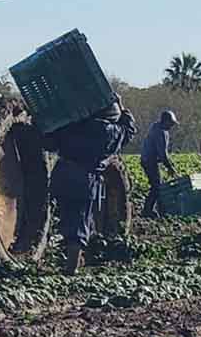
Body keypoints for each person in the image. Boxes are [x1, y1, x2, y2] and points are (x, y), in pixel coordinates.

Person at [47, 100, 136, 274]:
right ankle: (71, 265)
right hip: (84, 177)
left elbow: (50, 140)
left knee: (64, 214)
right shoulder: (110, 132)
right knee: (81, 217)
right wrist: (124, 108)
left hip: (61, 172)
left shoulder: (72, 124)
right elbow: (129, 131)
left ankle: (71, 256)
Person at [140, 111, 178, 217]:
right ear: (165, 121)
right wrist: (170, 168)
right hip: (149, 161)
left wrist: (170, 164)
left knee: (157, 185)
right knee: (156, 186)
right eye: (171, 123)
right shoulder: (160, 132)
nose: (171, 126)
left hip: (148, 160)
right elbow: (162, 154)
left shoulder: (156, 127)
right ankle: (147, 210)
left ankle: (157, 209)